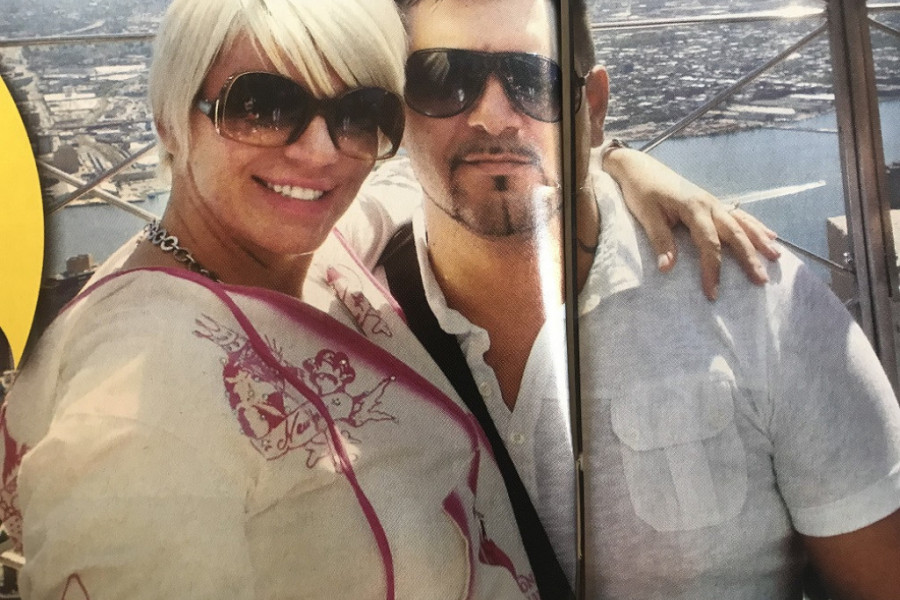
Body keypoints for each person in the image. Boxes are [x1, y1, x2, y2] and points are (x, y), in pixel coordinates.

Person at [335, 0, 900, 598]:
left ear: (594, 106)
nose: (493, 116)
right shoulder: (340, 308)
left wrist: (614, 157)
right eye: (443, 79)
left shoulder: (761, 303)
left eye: (536, 80)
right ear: (397, 108)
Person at [0, 0, 543, 597]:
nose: (321, 152)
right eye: (262, 107)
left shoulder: (313, 244)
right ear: (170, 120)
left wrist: (604, 162)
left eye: (361, 113)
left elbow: (409, 195)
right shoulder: (135, 406)